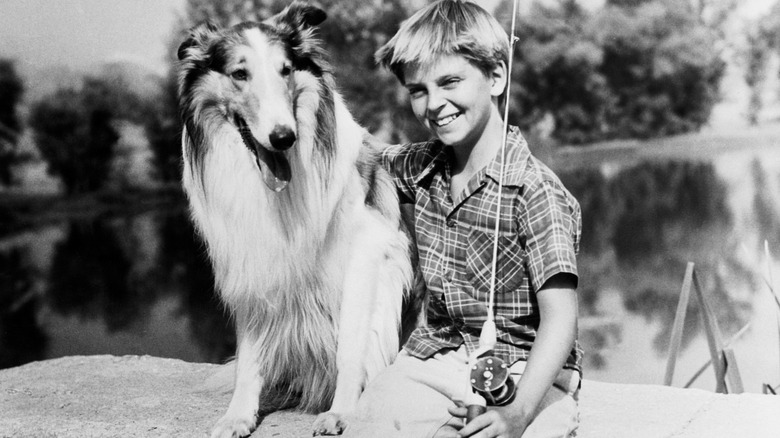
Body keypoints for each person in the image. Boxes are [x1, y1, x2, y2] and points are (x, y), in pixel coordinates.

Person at [345, 1, 583, 437]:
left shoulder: (536, 191)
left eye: (450, 81)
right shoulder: (419, 167)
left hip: (526, 367)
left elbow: (560, 319)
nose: (435, 104)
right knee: (370, 426)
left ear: (496, 77)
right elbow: (358, 154)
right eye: (418, 90)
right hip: (439, 355)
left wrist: (519, 412)